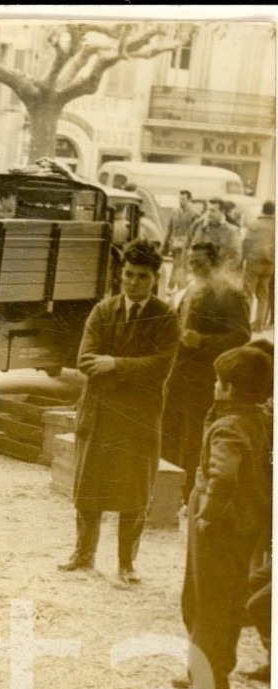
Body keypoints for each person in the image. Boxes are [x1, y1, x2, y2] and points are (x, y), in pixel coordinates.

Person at [58, 240, 180, 583]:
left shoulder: (166, 318)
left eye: (142, 276)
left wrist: (113, 364)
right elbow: (85, 360)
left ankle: (127, 563)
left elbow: (161, 366)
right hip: (99, 414)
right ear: (120, 274)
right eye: (128, 274)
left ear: (155, 278)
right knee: (89, 487)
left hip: (138, 419)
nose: (133, 282)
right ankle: (83, 553)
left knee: (134, 493)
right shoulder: (103, 311)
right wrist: (129, 372)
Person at [163, 347, 273, 689]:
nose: (213, 385)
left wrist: (206, 515)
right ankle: (216, 680)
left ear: (227, 388)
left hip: (218, 527)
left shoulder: (229, 426)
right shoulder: (260, 419)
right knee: (227, 603)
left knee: (203, 604)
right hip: (244, 526)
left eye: (217, 380)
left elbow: (223, 476)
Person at [162, 240, 251, 495]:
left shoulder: (230, 294)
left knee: (193, 438)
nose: (193, 267)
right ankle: (168, 492)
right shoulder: (190, 288)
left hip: (204, 380)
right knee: (169, 432)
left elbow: (242, 336)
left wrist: (202, 341)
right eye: (191, 262)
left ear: (214, 263)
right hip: (177, 376)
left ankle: (189, 493)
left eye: (199, 263)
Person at [241, 201, 275, 331]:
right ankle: (260, 325)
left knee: (248, 294)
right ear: (273, 212)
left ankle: (244, 324)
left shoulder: (254, 225)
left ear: (262, 210)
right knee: (263, 295)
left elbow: (246, 243)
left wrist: (242, 260)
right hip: (269, 265)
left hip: (254, 263)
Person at [186, 198, 243, 270]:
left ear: (222, 212)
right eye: (208, 210)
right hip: (197, 272)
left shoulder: (232, 231)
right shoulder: (200, 226)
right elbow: (189, 246)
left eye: (213, 211)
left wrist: (219, 271)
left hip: (218, 274)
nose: (209, 213)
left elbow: (235, 258)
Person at [164, 189, 199, 290]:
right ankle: (175, 287)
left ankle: (177, 287)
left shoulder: (195, 214)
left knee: (181, 266)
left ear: (189, 200)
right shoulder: (174, 212)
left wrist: (192, 246)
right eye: (179, 199)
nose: (180, 201)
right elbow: (170, 228)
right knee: (176, 265)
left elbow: (196, 232)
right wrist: (165, 243)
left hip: (186, 245)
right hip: (175, 244)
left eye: (183, 199)